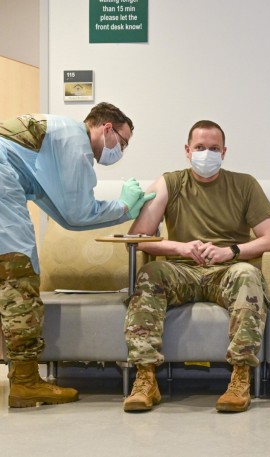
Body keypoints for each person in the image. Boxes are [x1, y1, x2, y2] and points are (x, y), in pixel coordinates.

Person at [0, 102, 155, 408]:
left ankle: (24, 380)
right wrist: (124, 207)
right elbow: (79, 213)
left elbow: (66, 216)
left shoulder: (55, 141)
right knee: (18, 280)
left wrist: (121, 210)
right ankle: (26, 383)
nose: (119, 151)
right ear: (106, 128)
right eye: (122, 143)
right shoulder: (76, 140)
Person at [122, 119, 270, 413]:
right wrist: (178, 247)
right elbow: (138, 238)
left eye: (214, 148)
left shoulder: (245, 184)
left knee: (248, 275)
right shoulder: (169, 183)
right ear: (187, 150)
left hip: (226, 270)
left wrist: (230, 251)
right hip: (182, 269)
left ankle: (240, 378)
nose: (207, 154)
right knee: (149, 273)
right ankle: (145, 379)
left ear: (224, 152)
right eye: (200, 147)